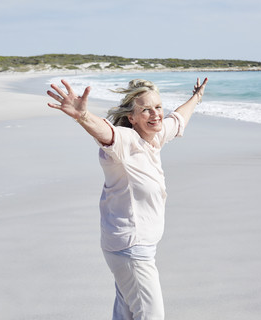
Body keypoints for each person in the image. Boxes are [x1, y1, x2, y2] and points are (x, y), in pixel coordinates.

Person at [47, 76, 208, 320]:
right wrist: (82, 116)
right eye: (146, 110)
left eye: (158, 107)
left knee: (127, 314)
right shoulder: (126, 141)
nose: (155, 114)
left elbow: (177, 120)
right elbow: (106, 132)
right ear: (132, 118)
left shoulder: (154, 137)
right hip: (131, 249)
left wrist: (196, 97)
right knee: (151, 315)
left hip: (128, 248)